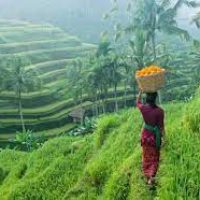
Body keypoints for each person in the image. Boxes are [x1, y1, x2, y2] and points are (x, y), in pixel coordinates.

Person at [136, 90, 165, 187]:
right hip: (154, 138)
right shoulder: (160, 111)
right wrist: (164, 138)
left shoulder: (144, 109)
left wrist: (140, 91)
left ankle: (148, 178)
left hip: (145, 137)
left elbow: (138, 102)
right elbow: (161, 127)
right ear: (155, 98)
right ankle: (152, 177)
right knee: (154, 158)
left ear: (147, 98)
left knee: (146, 157)